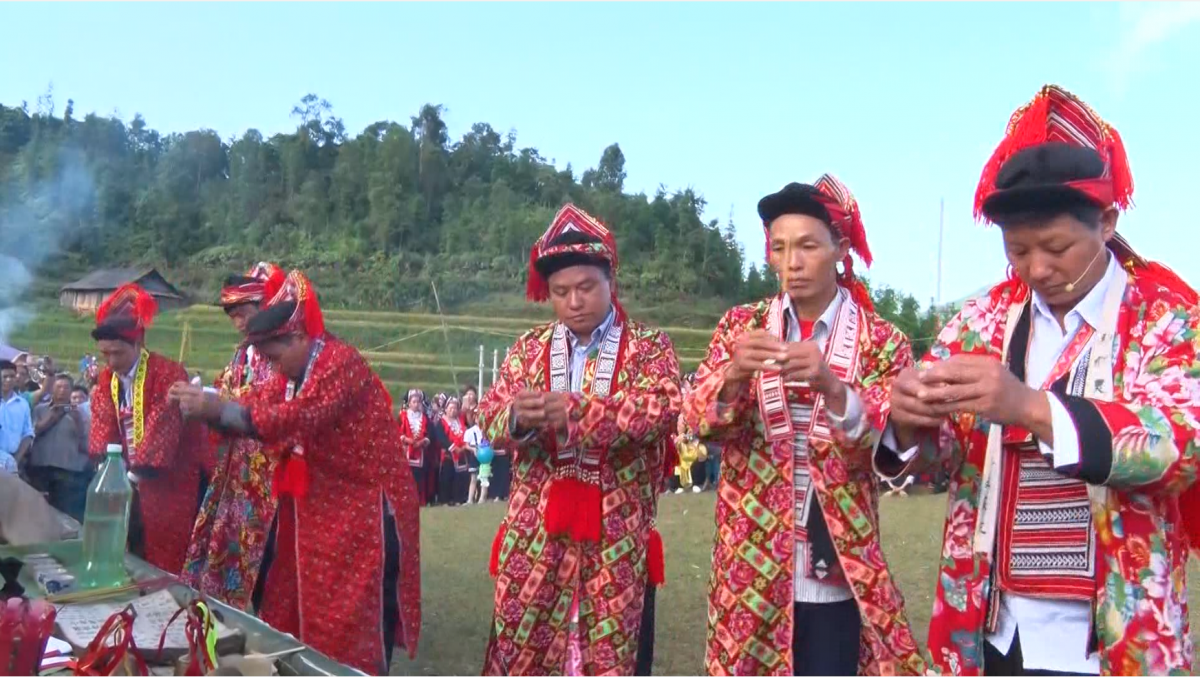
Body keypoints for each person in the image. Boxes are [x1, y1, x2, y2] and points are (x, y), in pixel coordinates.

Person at [877, 84, 1200, 676]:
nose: (1037, 269)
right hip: (991, 628)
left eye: (1056, 247)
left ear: (1106, 221)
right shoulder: (980, 322)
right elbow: (943, 460)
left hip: (1117, 629)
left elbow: (1178, 442)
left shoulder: (1167, 316)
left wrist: (1029, 406)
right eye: (1018, 250)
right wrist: (907, 422)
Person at [683, 175, 927, 676]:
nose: (791, 263)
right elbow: (698, 423)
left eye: (808, 246)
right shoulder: (740, 326)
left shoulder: (881, 341)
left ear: (840, 248)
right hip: (749, 566)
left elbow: (884, 450)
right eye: (779, 248)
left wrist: (833, 388)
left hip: (836, 562)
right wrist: (733, 375)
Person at [169, 270, 421, 674]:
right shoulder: (292, 373)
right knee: (293, 607)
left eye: (275, 357)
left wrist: (216, 409)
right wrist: (206, 402)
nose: (274, 369)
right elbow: (254, 400)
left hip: (367, 512)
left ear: (300, 337)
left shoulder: (341, 363)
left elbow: (296, 417)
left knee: (350, 620)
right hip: (317, 509)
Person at [478, 204, 681, 675]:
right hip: (534, 541)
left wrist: (576, 412)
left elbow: (663, 409)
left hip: (614, 542)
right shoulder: (529, 348)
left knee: (605, 660)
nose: (574, 301)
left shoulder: (649, 348)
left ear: (612, 281)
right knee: (523, 654)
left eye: (586, 287)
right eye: (560, 292)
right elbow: (490, 414)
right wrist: (517, 419)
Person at [182, 262, 286, 610]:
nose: (239, 323)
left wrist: (214, 404)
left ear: (264, 307)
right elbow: (228, 391)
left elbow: (270, 408)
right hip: (232, 469)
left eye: (243, 313)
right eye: (233, 317)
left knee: (265, 556)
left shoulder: (279, 353)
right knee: (228, 546)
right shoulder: (242, 352)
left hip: (267, 473)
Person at [87, 283, 208, 576]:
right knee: (124, 545)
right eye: (105, 354)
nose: (111, 362)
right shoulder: (107, 379)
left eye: (118, 353)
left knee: (165, 555)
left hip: (169, 480)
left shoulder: (168, 372)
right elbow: (104, 426)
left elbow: (162, 430)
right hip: (124, 478)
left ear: (137, 344)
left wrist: (128, 477)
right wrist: (108, 470)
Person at [28, 374, 92, 520]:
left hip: (68, 471)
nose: (62, 391)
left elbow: (86, 445)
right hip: (40, 468)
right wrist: (52, 417)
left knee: (67, 514)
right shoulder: (39, 410)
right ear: (52, 389)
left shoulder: (82, 413)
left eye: (66, 387)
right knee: (38, 514)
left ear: (71, 390)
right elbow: (31, 434)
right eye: (58, 387)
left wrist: (78, 422)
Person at [400, 389, 433, 505]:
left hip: (421, 452)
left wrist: (423, 441)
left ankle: (419, 500)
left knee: (419, 478)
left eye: (418, 402)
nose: (416, 404)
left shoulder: (425, 418)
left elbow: (429, 434)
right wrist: (406, 439)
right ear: (409, 403)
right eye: (413, 402)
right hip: (406, 451)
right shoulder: (403, 416)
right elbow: (397, 432)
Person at [0, 360, 34, 475]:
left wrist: (16, 459)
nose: (9, 380)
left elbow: (28, 434)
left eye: (12, 376)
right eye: (5, 377)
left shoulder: (22, 404)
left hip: (11, 463)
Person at [438, 397, 471, 505]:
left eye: (455, 408)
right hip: (448, 454)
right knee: (447, 477)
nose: (453, 411)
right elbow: (441, 437)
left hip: (461, 453)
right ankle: (445, 500)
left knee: (461, 477)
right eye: (451, 408)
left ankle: (459, 498)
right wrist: (452, 447)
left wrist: (463, 447)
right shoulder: (442, 422)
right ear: (446, 409)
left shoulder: (460, 421)